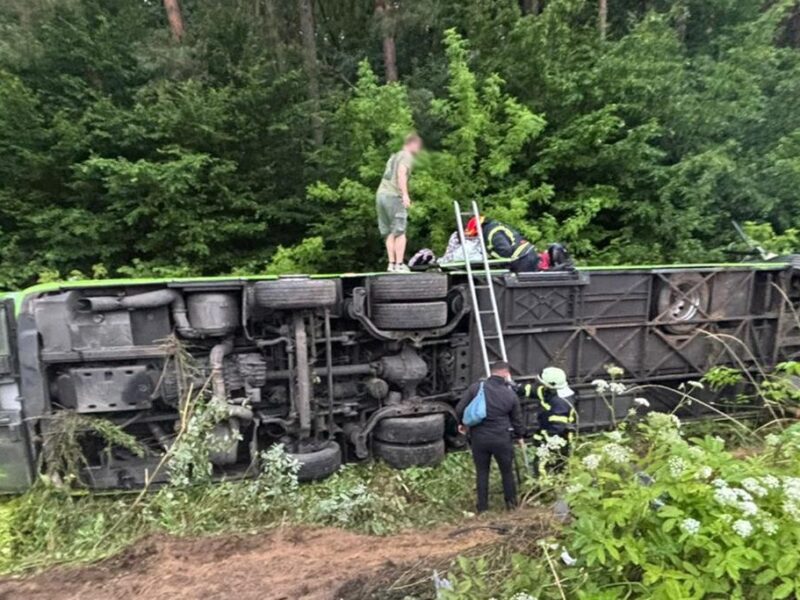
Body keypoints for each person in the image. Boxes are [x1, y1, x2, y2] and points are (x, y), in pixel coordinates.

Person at [456, 361, 526, 513]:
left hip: (479, 438)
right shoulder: (510, 394)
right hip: (502, 438)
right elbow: (517, 420)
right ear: (506, 374)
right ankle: (511, 506)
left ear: (491, 372)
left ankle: (482, 508)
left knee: (482, 472)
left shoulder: (476, 388)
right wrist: (520, 436)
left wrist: (462, 424)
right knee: (507, 472)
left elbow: (460, 408)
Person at [376, 133, 423, 272]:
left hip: (381, 195)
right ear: (412, 144)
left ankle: (391, 264)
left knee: (389, 231)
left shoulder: (394, 156)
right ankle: (400, 264)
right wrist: (405, 195)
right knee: (400, 231)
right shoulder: (406, 156)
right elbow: (401, 174)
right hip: (393, 196)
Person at [518, 367, 577, 476]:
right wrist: (517, 388)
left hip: (557, 441)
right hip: (551, 437)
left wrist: (542, 440)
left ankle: (545, 490)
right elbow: (537, 391)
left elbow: (557, 428)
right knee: (552, 466)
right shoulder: (553, 393)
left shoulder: (560, 403)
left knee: (543, 466)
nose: (541, 385)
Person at [464, 216, 539, 273]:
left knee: (523, 289)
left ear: (478, 229)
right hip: (525, 255)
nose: (476, 237)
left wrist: (489, 254)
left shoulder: (491, 233)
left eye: (475, 234)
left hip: (523, 258)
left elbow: (505, 251)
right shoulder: (492, 228)